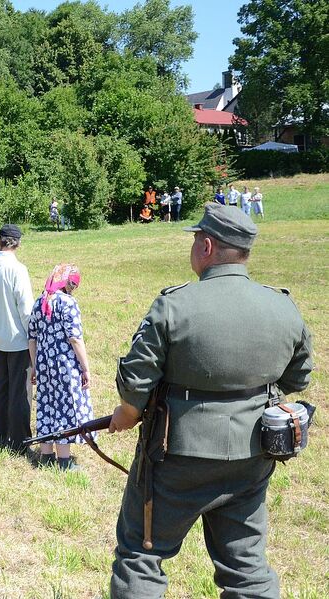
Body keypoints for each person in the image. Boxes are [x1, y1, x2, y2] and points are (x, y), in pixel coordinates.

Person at [108, 203, 313, 598]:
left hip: (175, 458)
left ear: (205, 246)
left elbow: (136, 382)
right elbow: (298, 378)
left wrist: (127, 414)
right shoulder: (283, 307)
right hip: (253, 457)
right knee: (247, 570)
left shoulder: (173, 306)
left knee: (141, 557)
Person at [28, 264, 93, 470]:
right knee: (65, 408)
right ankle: (64, 462)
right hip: (65, 366)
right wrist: (85, 368)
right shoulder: (68, 303)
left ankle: (46, 457)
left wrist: (36, 366)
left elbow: (32, 339)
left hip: (45, 365)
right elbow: (75, 338)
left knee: (47, 405)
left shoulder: (39, 302)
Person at [0, 224, 34, 451]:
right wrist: (34, 337)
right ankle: (19, 442)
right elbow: (26, 308)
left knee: (2, 388)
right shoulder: (18, 269)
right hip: (18, 339)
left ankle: (1, 436)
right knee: (19, 392)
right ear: (18, 243)